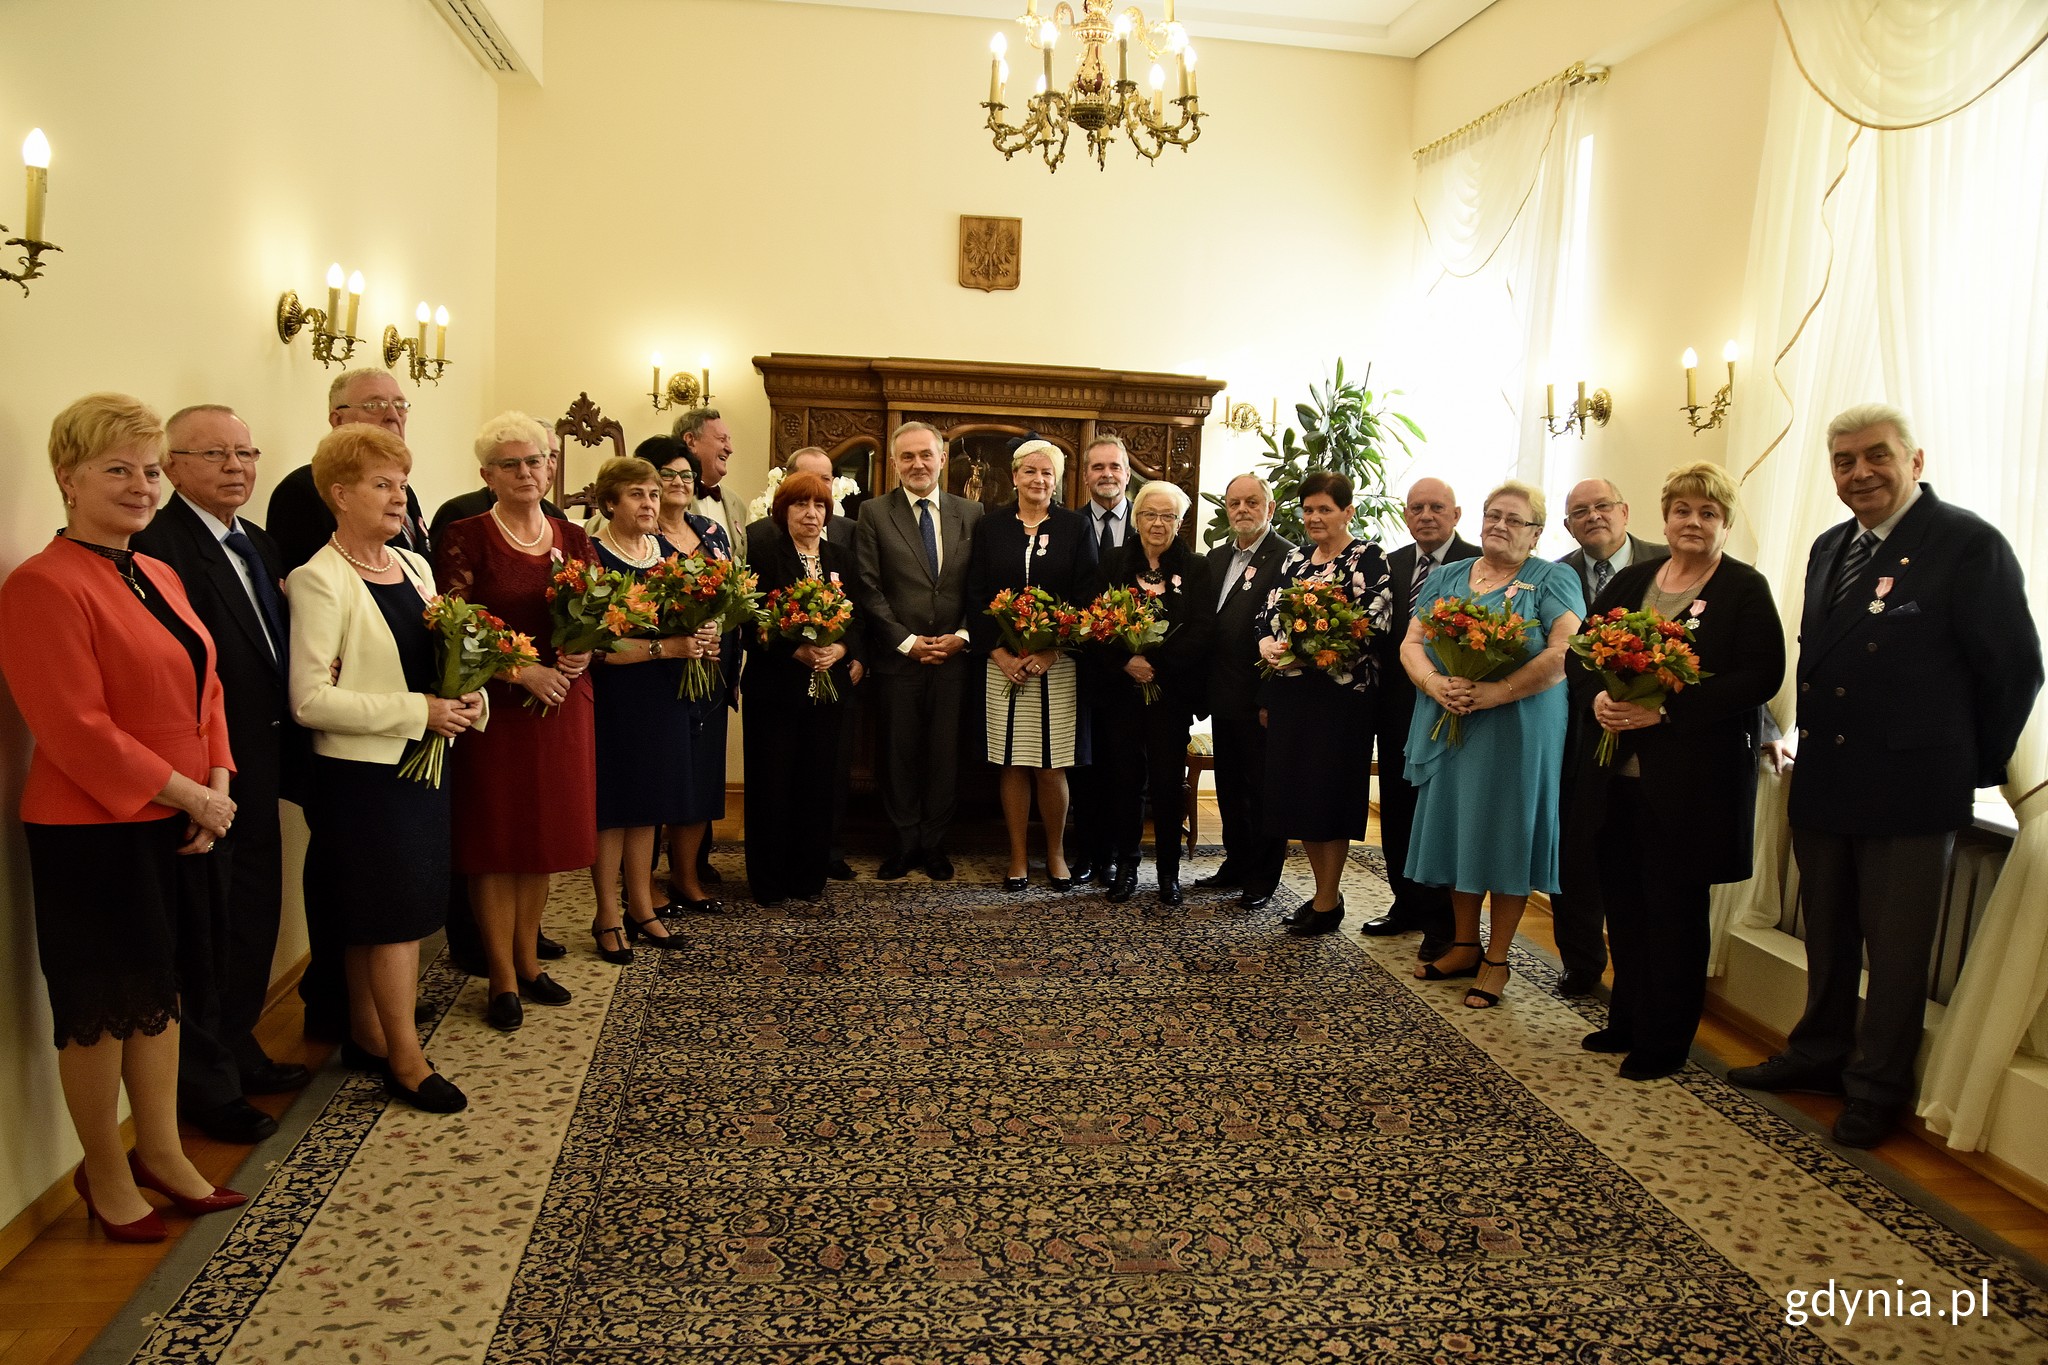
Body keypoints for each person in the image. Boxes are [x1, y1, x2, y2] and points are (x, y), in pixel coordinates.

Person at [1730, 403, 2043, 1147]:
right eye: (1844, 461)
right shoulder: (1830, 544)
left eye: (1877, 456)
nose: (1859, 472)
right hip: (1829, 776)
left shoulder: (1968, 544)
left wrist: (1968, 765)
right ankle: (1819, 1052)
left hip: (1913, 788)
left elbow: (2015, 670)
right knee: (1829, 935)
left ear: (1915, 460)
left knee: (1896, 949)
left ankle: (1876, 1085)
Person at [0, 393, 245, 1242]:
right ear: (67, 478)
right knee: (107, 1009)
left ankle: (165, 1152)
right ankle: (105, 1174)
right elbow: (71, 727)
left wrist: (217, 774)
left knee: (165, 995)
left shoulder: (159, 570)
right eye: (118, 469)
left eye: (148, 470)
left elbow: (205, 684)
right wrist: (190, 792)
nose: (140, 486)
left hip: (180, 811)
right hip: (93, 829)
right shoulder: (41, 583)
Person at [1565, 462, 1784, 1081]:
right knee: (1626, 905)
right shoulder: (1634, 579)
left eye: (1708, 514)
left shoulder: (1744, 588)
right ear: (1665, 517)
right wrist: (1599, 699)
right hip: (1616, 781)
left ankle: (1666, 1042)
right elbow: (1583, 651)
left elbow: (1761, 677)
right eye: (1683, 511)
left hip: (1691, 786)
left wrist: (1665, 709)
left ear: (1725, 524)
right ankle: (1627, 1019)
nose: (1693, 523)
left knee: (1674, 915)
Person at [129, 404, 311, 1142]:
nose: (237, 466)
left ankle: (239, 1045)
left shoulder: (258, 541)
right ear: (170, 467)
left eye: (246, 452)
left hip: (259, 762)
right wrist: (205, 777)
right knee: (204, 929)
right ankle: (205, 1085)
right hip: (202, 771)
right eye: (215, 455)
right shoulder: (161, 546)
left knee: (251, 915)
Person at [288, 424, 481, 1111]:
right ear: (340, 493)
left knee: (386, 912)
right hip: (366, 776)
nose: (398, 496)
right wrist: (416, 713)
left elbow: (444, 658)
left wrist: (469, 695)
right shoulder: (320, 578)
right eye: (381, 484)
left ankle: (368, 1033)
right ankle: (407, 1059)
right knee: (389, 917)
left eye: (401, 483)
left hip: (422, 766)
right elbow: (310, 699)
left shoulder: (414, 566)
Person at [435, 412, 598, 1032]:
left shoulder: (573, 535)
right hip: (496, 711)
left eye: (535, 461)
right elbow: (453, 624)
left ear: (550, 467)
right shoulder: (465, 535)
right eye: (510, 464)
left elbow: (596, 608)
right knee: (496, 844)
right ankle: (500, 975)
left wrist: (585, 647)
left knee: (542, 843)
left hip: (564, 706)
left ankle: (530, 961)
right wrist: (519, 671)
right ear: (487, 474)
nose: (526, 472)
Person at [1400, 481, 1583, 1004]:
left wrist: (1497, 691)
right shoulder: (1449, 575)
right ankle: (1463, 944)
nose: (1499, 526)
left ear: (1536, 532)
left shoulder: (1553, 578)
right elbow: (1413, 643)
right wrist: (1436, 684)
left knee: (1507, 834)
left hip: (1520, 728)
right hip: (1453, 716)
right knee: (1461, 830)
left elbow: (1562, 652)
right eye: (1492, 515)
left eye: (1513, 519)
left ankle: (1498, 959)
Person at [1256, 471, 1393, 935]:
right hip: (1293, 697)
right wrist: (1265, 645)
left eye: (1324, 509)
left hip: (1341, 703)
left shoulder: (1368, 558)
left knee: (1327, 798)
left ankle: (1327, 898)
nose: (1314, 517)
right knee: (1299, 799)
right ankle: (1323, 895)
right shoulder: (1294, 560)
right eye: (1308, 509)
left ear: (1347, 512)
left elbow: (1372, 626)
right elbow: (1266, 614)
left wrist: (1304, 649)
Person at [1551, 477, 1669, 996]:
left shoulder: (1669, 564)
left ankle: (1646, 979)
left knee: (1643, 864)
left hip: (1655, 741)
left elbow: (1714, 652)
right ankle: (1581, 962)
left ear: (1625, 511)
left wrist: (1774, 728)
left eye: (1602, 506)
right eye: (1580, 511)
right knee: (1576, 852)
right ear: (1568, 525)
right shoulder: (1557, 575)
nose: (1592, 516)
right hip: (1576, 732)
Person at [586, 455, 705, 962]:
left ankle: (641, 905)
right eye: (637, 494)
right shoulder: (591, 556)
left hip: (665, 694)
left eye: (654, 494)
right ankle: (606, 914)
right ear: (610, 501)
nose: (650, 503)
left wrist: (702, 633)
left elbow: (684, 618)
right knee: (614, 807)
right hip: (617, 696)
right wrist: (667, 648)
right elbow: (591, 645)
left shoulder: (666, 554)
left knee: (650, 805)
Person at [853, 420, 985, 880]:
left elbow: (981, 586)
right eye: (907, 457)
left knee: (944, 756)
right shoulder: (873, 513)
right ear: (894, 463)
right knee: (899, 755)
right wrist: (906, 642)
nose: (917, 464)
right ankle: (905, 843)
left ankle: (934, 845)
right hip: (897, 660)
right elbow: (867, 587)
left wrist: (963, 636)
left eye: (926, 455)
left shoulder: (971, 513)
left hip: (954, 659)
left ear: (942, 459)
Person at [964, 439, 1098, 890]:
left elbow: (1086, 599)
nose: (1038, 480)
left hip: (1056, 665)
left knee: (1050, 764)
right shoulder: (991, 527)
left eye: (1047, 473)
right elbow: (976, 594)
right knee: (1013, 762)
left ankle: (1056, 854)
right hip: (1001, 663)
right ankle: (1018, 857)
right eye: (1030, 471)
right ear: (1016, 476)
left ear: (1056, 481)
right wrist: (999, 653)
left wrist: (1050, 651)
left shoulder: (1076, 528)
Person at [1358, 477, 1477, 959]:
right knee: (1399, 808)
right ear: (1406, 515)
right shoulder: (1392, 563)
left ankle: (1444, 923)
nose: (1425, 515)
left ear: (1456, 513)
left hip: (1452, 706)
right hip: (1395, 708)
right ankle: (1405, 903)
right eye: (1416, 508)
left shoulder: (1476, 564)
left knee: (1440, 815)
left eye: (1436, 507)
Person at [742, 471, 867, 904]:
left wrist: (844, 648)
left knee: (818, 783)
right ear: (783, 511)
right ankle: (770, 882)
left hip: (828, 691)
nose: (810, 514)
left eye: (819, 506)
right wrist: (791, 650)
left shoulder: (841, 558)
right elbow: (748, 618)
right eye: (800, 505)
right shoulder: (763, 553)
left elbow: (861, 616)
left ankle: (807, 876)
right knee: (772, 784)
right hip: (775, 688)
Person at [1096, 480, 1216, 906]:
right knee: (1125, 782)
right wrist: (1127, 661)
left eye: (1168, 516)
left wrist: (1156, 664)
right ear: (1136, 518)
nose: (1158, 523)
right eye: (1150, 514)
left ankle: (1168, 872)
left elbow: (1201, 629)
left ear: (1180, 522)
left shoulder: (1197, 568)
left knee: (1167, 784)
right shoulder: (1112, 562)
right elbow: (1097, 622)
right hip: (1121, 691)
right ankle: (1127, 867)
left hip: (1172, 693)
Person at [646, 436, 736, 912]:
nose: (679, 483)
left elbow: (730, 593)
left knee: (700, 778)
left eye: (686, 475)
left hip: (711, 671)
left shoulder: (711, 530)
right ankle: (643, 882)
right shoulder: (640, 535)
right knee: (661, 778)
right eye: (668, 475)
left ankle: (686, 876)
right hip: (661, 671)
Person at [1201, 474, 1295, 911]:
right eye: (1234, 502)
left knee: (1263, 791)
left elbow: (1289, 634)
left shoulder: (1289, 559)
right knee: (1229, 788)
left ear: (1270, 508)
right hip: (1222, 694)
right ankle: (1236, 863)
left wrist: (1271, 697)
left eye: (1252, 502)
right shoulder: (1216, 558)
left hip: (1261, 697)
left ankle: (1262, 875)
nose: (1243, 509)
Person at [266, 368, 430, 573]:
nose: (393, 415)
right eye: (374, 405)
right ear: (338, 420)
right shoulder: (302, 490)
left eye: (400, 405)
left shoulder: (403, 490)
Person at [1069, 435, 1134, 884]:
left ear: (1127, 472)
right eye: (1097, 467)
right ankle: (1085, 853)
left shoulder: (1151, 521)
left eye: (1114, 466)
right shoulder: (1069, 526)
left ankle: (1116, 853)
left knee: (1124, 766)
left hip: (1134, 671)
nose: (1106, 474)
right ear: (1085, 475)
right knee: (1083, 765)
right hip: (1081, 665)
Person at [744, 446, 856, 556]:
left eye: (825, 479)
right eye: (809, 478)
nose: (818, 485)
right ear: (789, 480)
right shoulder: (758, 533)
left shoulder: (850, 531)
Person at [675, 406, 742, 559]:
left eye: (729, 441)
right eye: (721, 439)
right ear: (691, 441)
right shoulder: (668, 494)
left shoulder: (736, 503)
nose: (730, 449)